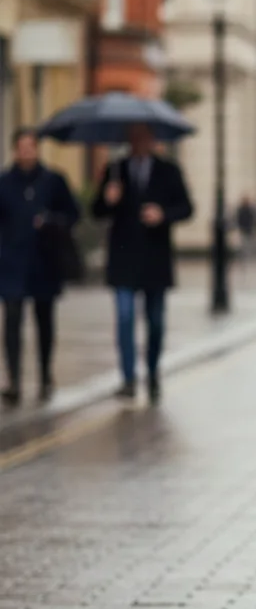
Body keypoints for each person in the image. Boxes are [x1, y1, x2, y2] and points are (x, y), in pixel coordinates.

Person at [92, 124, 194, 404]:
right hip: (123, 258)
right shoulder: (116, 170)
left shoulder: (168, 171)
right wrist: (107, 198)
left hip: (155, 259)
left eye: (143, 136)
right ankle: (127, 378)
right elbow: (97, 210)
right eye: (133, 136)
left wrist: (163, 214)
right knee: (125, 317)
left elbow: (187, 208)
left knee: (155, 322)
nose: (138, 141)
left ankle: (152, 372)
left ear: (151, 139)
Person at [0, 127, 80, 406]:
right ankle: (14, 381)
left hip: (45, 262)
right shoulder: (4, 182)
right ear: (15, 150)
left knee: (44, 321)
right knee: (11, 321)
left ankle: (45, 375)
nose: (26, 152)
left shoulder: (53, 181)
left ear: (37, 149)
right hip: (11, 264)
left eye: (30, 147)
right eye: (21, 147)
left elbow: (73, 215)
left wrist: (51, 221)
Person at [236, 196, 256, 261]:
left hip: (249, 228)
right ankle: (245, 254)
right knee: (244, 242)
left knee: (249, 242)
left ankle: (249, 254)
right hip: (244, 228)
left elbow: (253, 219)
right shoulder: (241, 210)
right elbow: (239, 219)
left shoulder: (249, 210)